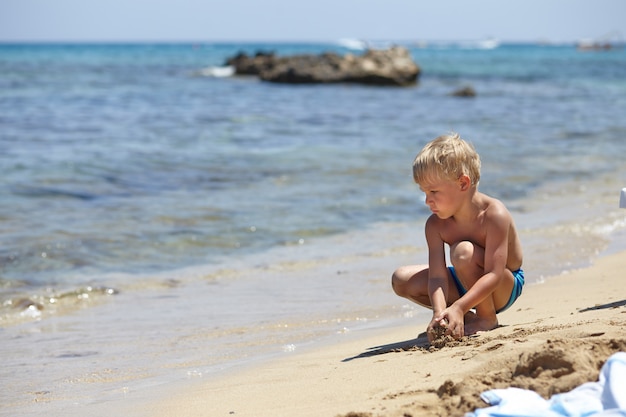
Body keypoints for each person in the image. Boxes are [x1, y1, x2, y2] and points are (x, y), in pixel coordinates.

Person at [391, 133, 524, 342]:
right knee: (401, 279)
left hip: (502, 285)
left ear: (463, 184)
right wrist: (440, 312)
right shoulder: (435, 225)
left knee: (463, 252)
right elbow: (437, 277)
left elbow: (494, 274)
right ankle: (459, 318)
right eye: (424, 192)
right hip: (464, 280)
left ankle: (487, 318)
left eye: (434, 191)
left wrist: (460, 306)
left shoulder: (494, 214)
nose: (427, 200)